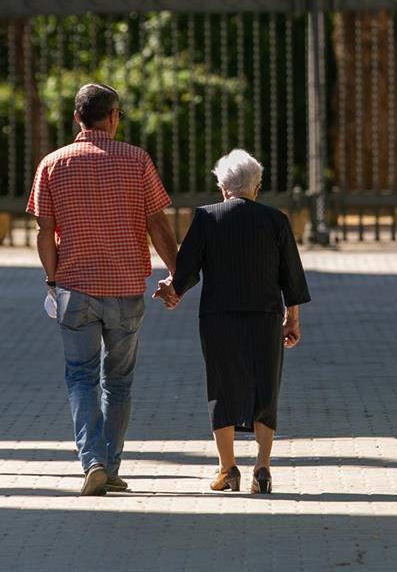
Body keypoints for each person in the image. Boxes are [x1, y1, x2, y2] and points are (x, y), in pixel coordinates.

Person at [27, 83, 178, 496]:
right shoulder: (137, 161)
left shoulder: (52, 164)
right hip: (126, 289)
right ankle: (109, 465)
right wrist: (177, 274)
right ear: (112, 117)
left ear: (77, 118)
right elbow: (158, 224)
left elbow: (43, 232)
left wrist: (52, 281)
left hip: (74, 288)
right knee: (119, 381)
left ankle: (91, 460)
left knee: (80, 377)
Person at [154, 149, 310, 494]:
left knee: (222, 387)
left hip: (218, 316)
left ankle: (228, 469)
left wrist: (172, 290)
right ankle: (263, 468)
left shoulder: (207, 218)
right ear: (256, 186)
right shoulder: (276, 220)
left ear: (223, 186)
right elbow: (291, 275)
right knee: (265, 387)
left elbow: (188, 267)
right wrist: (292, 317)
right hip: (265, 315)